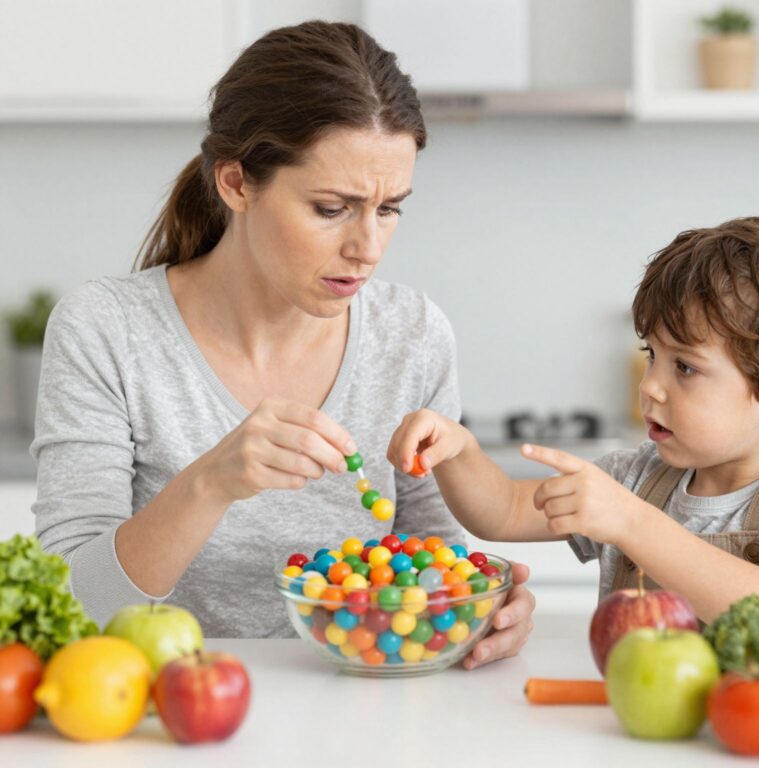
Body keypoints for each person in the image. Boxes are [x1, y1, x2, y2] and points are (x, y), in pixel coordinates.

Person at [31, 21, 534, 667]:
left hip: (363, 703)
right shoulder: (106, 330)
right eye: (331, 208)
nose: (368, 248)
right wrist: (210, 482)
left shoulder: (411, 333)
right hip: (163, 701)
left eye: (389, 208)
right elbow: (71, 605)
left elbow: (431, 566)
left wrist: (475, 609)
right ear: (236, 183)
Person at [388, 217, 759, 622]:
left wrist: (632, 522)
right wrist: (458, 450)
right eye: (652, 356)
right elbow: (503, 511)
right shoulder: (636, 478)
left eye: (684, 367)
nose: (649, 386)